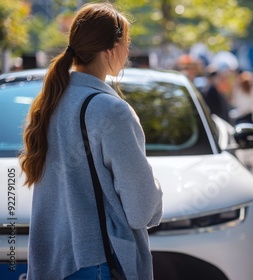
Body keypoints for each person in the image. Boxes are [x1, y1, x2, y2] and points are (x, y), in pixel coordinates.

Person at [20, 3, 163, 279]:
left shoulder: (47, 103)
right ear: (111, 49)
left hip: (51, 264)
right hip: (98, 263)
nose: (128, 50)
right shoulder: (112, 111)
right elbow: (141, 210)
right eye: (127, 42)